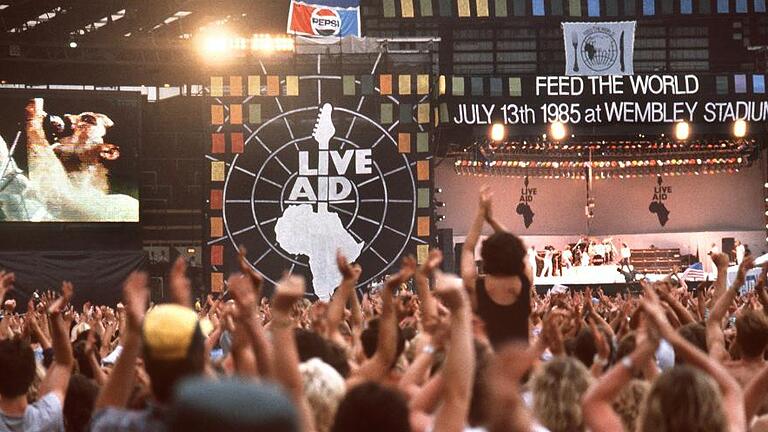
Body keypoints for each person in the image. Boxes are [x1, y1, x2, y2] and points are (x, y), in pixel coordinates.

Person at [461, 186, 532, 349]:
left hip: (487, 366)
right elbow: (518, 247)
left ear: (485, 257)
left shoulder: (474, 285)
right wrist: (491, 219)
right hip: (520, 365)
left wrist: (481, 213)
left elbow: (467, 248)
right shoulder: (525, 280)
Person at [0, 276, 74, 432]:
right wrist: (55, 317)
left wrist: (4, 304)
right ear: (32, 374)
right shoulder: (48, 417)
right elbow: (64, 363)